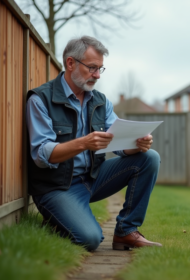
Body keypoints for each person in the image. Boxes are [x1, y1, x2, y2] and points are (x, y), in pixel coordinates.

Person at [26, 36, 162, 251]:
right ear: (70, 63)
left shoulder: (100, 101)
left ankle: (126, 231)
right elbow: (42, 155)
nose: (97, 75)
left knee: (149, 158)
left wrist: (138, 144)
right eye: (92, 68)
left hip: (93, 178)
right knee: (89, 239)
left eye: (100, 69)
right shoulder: (40, 100)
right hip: (57, 187)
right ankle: (58, 219)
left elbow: (117, 142)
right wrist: (83, 143)